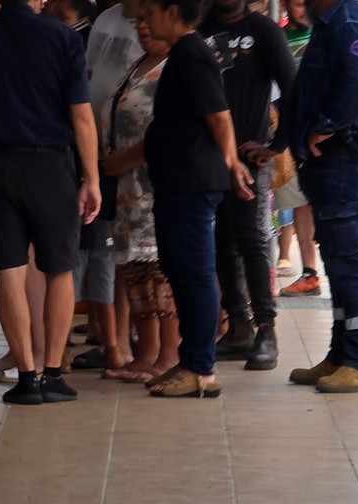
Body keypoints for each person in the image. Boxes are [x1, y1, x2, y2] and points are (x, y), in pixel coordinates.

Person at [0, 0, 101, 405]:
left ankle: (26, 377)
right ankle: (51, 374)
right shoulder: (63, 37)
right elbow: (81, 114)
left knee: (9, 269)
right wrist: (92, 178)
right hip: (49, 167)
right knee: (59, 269)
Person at [142, 0, 254, 398]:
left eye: (150, 11)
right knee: (178, 269)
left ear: (171, 10)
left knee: (194, 272)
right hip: (176, 180)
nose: (145, 20)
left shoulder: (192, 52)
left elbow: (219, 116)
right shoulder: (183, 53)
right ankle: (189, 359)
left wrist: (231, 162)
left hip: (192, 181)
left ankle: (201, 369)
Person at [285, 0, 358, 392]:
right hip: (333, 161)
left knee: (349, 261)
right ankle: (340, 353)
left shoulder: (348, 21)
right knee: (337, 262)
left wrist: (329, 124)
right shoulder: (333, 22)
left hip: (348, 158)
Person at [200, 0, 296, 371]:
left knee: (251, 237)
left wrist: (276, 145)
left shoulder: (264, 31)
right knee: (221, 240)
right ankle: (238, 327)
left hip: (248, 156)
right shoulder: (201, 29)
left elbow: (292, 89)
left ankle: (266, 330)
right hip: (206, 156)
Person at [100, 16, 180, 383]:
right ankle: (145, 352)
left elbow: (170, 129)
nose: (144, 27)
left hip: (156, 185)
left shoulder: (176, 66)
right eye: (140, 21)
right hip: (124, 191)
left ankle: (168, 355)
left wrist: (122, 160)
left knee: (161, 273)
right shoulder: (136, 64)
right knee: (134, 272)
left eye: (151, 19)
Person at [71, 0, 143, 373]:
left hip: (132, 152)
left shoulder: (154, 23)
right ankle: (108, 335)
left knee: (121, 249)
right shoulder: (105, 20)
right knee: (97, 245)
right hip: (96, 147)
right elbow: (89, 75)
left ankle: (126, 341)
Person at [276, 0, 323, 298]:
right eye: (296, 3)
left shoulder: (324, 33)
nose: (303, 7)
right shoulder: (277, 37)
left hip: (319, 133)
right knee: (297, 203)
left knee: (314, 205)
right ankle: (309, 273)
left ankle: (315, 271)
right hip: (287, 133)